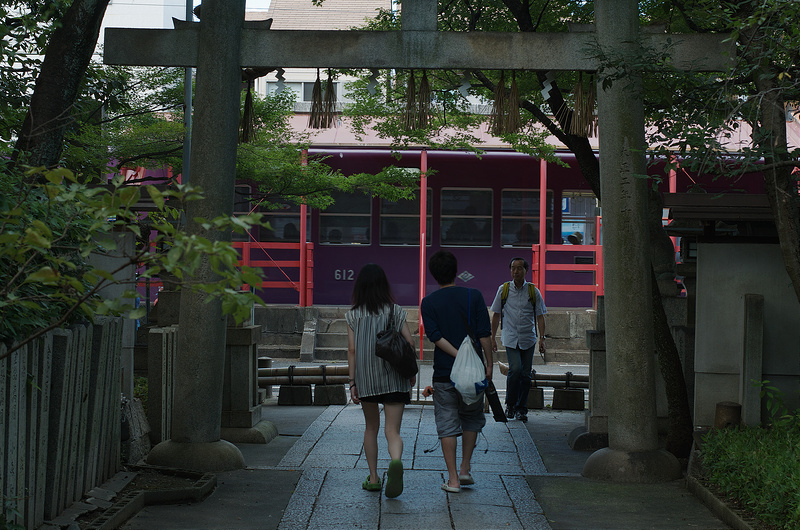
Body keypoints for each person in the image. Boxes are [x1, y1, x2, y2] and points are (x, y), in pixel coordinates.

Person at [420, 250, 493, 493]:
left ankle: (452, 480)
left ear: (434, 275)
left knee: (447, 422)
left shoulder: (428, 302)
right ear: (455, 271)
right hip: (473, 375)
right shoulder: (474, 296)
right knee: (471, 418)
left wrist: (456, 355)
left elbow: (435, 337)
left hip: (444, 373)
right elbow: (484, 335)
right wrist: (488, 364)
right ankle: (465, 470)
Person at [345, 263, 416, 498]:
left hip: (367, 380)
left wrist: (353, 382)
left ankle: (374, 478)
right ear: (384, 286)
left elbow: (352, 350)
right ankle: (395, 461)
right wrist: (411, 372)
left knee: (371, 428)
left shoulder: (353, 315)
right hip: (394, 378)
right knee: (392, 430)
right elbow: (409, 343)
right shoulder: (395, 311)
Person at [489, 257, 547, 423]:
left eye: (519, 268)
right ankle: (510, 405)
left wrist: (542, 339)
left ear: (525, 271)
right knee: (515, 369)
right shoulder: (504, 289)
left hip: (528, 337)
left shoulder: (533, 291)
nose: (516, 271)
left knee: (526, 375)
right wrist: (493, 337)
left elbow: (540, 316)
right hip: (510, 337)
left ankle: (522, 409)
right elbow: (496, 315)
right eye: (513, 268)